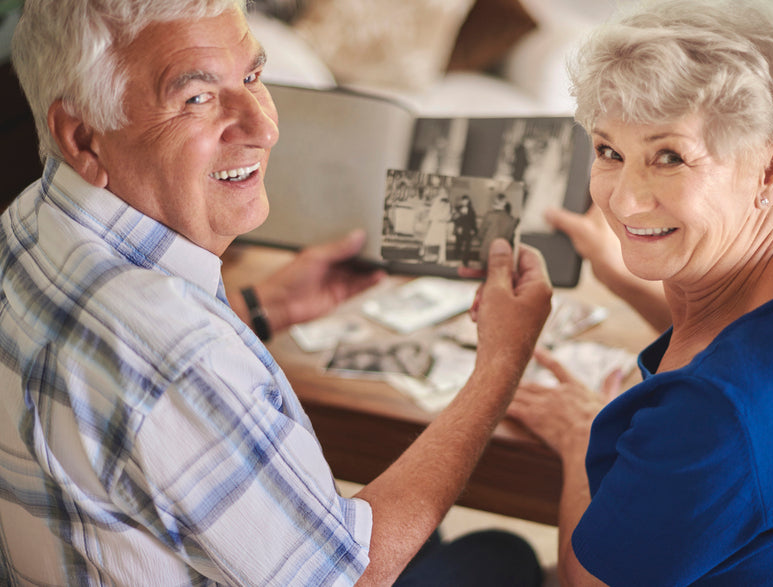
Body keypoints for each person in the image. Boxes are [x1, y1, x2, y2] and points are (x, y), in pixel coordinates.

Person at [0, 1, 554, 585]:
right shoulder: (178, 355)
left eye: (252, 77)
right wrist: (500, 364)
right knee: (500, 555)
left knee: (419, 528)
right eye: (197, 98)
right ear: (83, 136)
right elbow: (353, 578)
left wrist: (266, 308)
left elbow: (120, 386)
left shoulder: (27, 222)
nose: (264, 127)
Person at [507, 0, 773, 585]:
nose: (625, 201)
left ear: (771, 167)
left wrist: (580, 440)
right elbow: (719, 337)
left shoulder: (711, 420)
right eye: (609, 151)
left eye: (670, 157)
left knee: (496, 548)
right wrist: (619, 275)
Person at [478, 194, 520, 266]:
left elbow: (480, 234)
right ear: (504, 204)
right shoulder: (511, 219)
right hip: (500, 251)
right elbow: (508, 238)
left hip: (487, 250)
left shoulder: (488, 215)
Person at [452, 194, 478, 267]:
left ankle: (465, 260)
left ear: (468, 201)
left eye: (466, 200)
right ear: (461, 201)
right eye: (463, 200)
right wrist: (458, 227)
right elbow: (454, 219)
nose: (464, 202)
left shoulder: (471, 210)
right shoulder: (457, 208)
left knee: (467, 246)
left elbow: (473, 221)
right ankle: (456, 258)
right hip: (460, 229)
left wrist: (473, 230)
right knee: (458, 244)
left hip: (468, 229)